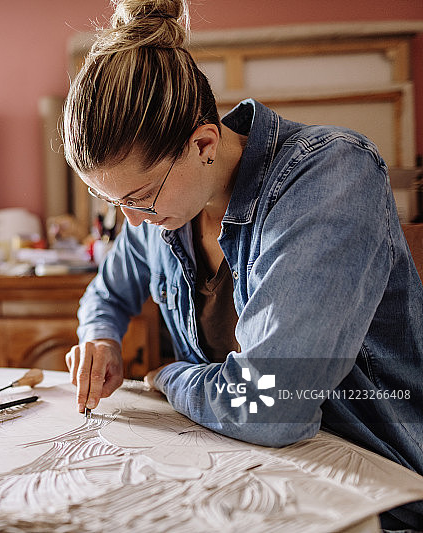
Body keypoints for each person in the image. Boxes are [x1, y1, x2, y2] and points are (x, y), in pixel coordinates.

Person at [61, 0, 423, 529]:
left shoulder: (331, 178)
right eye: (111, 201)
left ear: (203, 142)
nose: (132, 223)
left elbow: (271, 404)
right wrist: (101, 339)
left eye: (139, 199)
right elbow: (107, 294)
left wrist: (171, 377)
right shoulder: (166, 212)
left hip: (378, 493)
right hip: (248, 472)